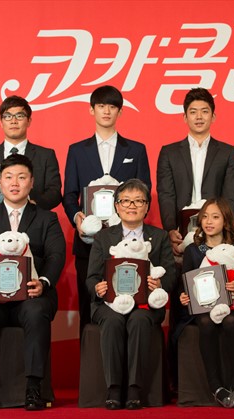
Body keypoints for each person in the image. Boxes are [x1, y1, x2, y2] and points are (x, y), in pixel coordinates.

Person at [0, 154, 66, 411]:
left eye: (21, 177)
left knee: (36, 312)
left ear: (32, 182)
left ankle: (33, 388)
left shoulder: (47, 218)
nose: (15, 183)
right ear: (0, 183)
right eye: (8, 177)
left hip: (32, 295)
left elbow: (56, 255)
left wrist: (43, 282)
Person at [63, 85, 151, 335]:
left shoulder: (136, 150)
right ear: (91, 110)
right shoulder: (77, 150)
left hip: (127, 240)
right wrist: (77, 217)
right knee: (88, 305)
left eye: (112, 107)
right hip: (88, 242)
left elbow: (145, 192)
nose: (106, 111)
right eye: (101, 106)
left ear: (120, 112)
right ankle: (89, 360)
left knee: (130, 302)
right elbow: (69, 194)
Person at [86, 179, 174, 410]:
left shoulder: (160, 237)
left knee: (139, 319)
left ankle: (135, 388)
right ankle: (114, 388)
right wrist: (98, 288)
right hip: (109, 304)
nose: (132, 206)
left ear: (147, 207)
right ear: (116, 206)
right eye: (126, 201)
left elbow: (171, 275)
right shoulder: (103, 237)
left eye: (138, 201)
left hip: (145, 305)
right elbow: (91, 277)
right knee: (113, 320)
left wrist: (159, 283)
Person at [176, 198, 234, 408]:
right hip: (202, 307)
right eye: (205, 217)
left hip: (231, 305)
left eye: (215, 217)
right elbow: (185, 283)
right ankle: (216, 387)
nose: (209, 221)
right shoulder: (193, 250)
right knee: (206, 322)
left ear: (226, 221)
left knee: (231, 321)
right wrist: (184, 296)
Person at [157, 87, 234, 256]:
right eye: (193, 112)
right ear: (185, 117)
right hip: (181, 232)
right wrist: (170, 229)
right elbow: (166, 194)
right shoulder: (169, 152)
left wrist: (225, 229)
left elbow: (230, 195)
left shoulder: (227, 152)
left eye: (204, 111)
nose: (199, 117)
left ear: (213, 116)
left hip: (217, 233)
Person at [0, 95, 62, 210]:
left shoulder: (46, 155)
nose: (13, 121)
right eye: (8, 116)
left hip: (33, 217)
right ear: (1, 122)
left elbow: (54, 192)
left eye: (19, 116)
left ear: (29, 121)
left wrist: (32, 205)